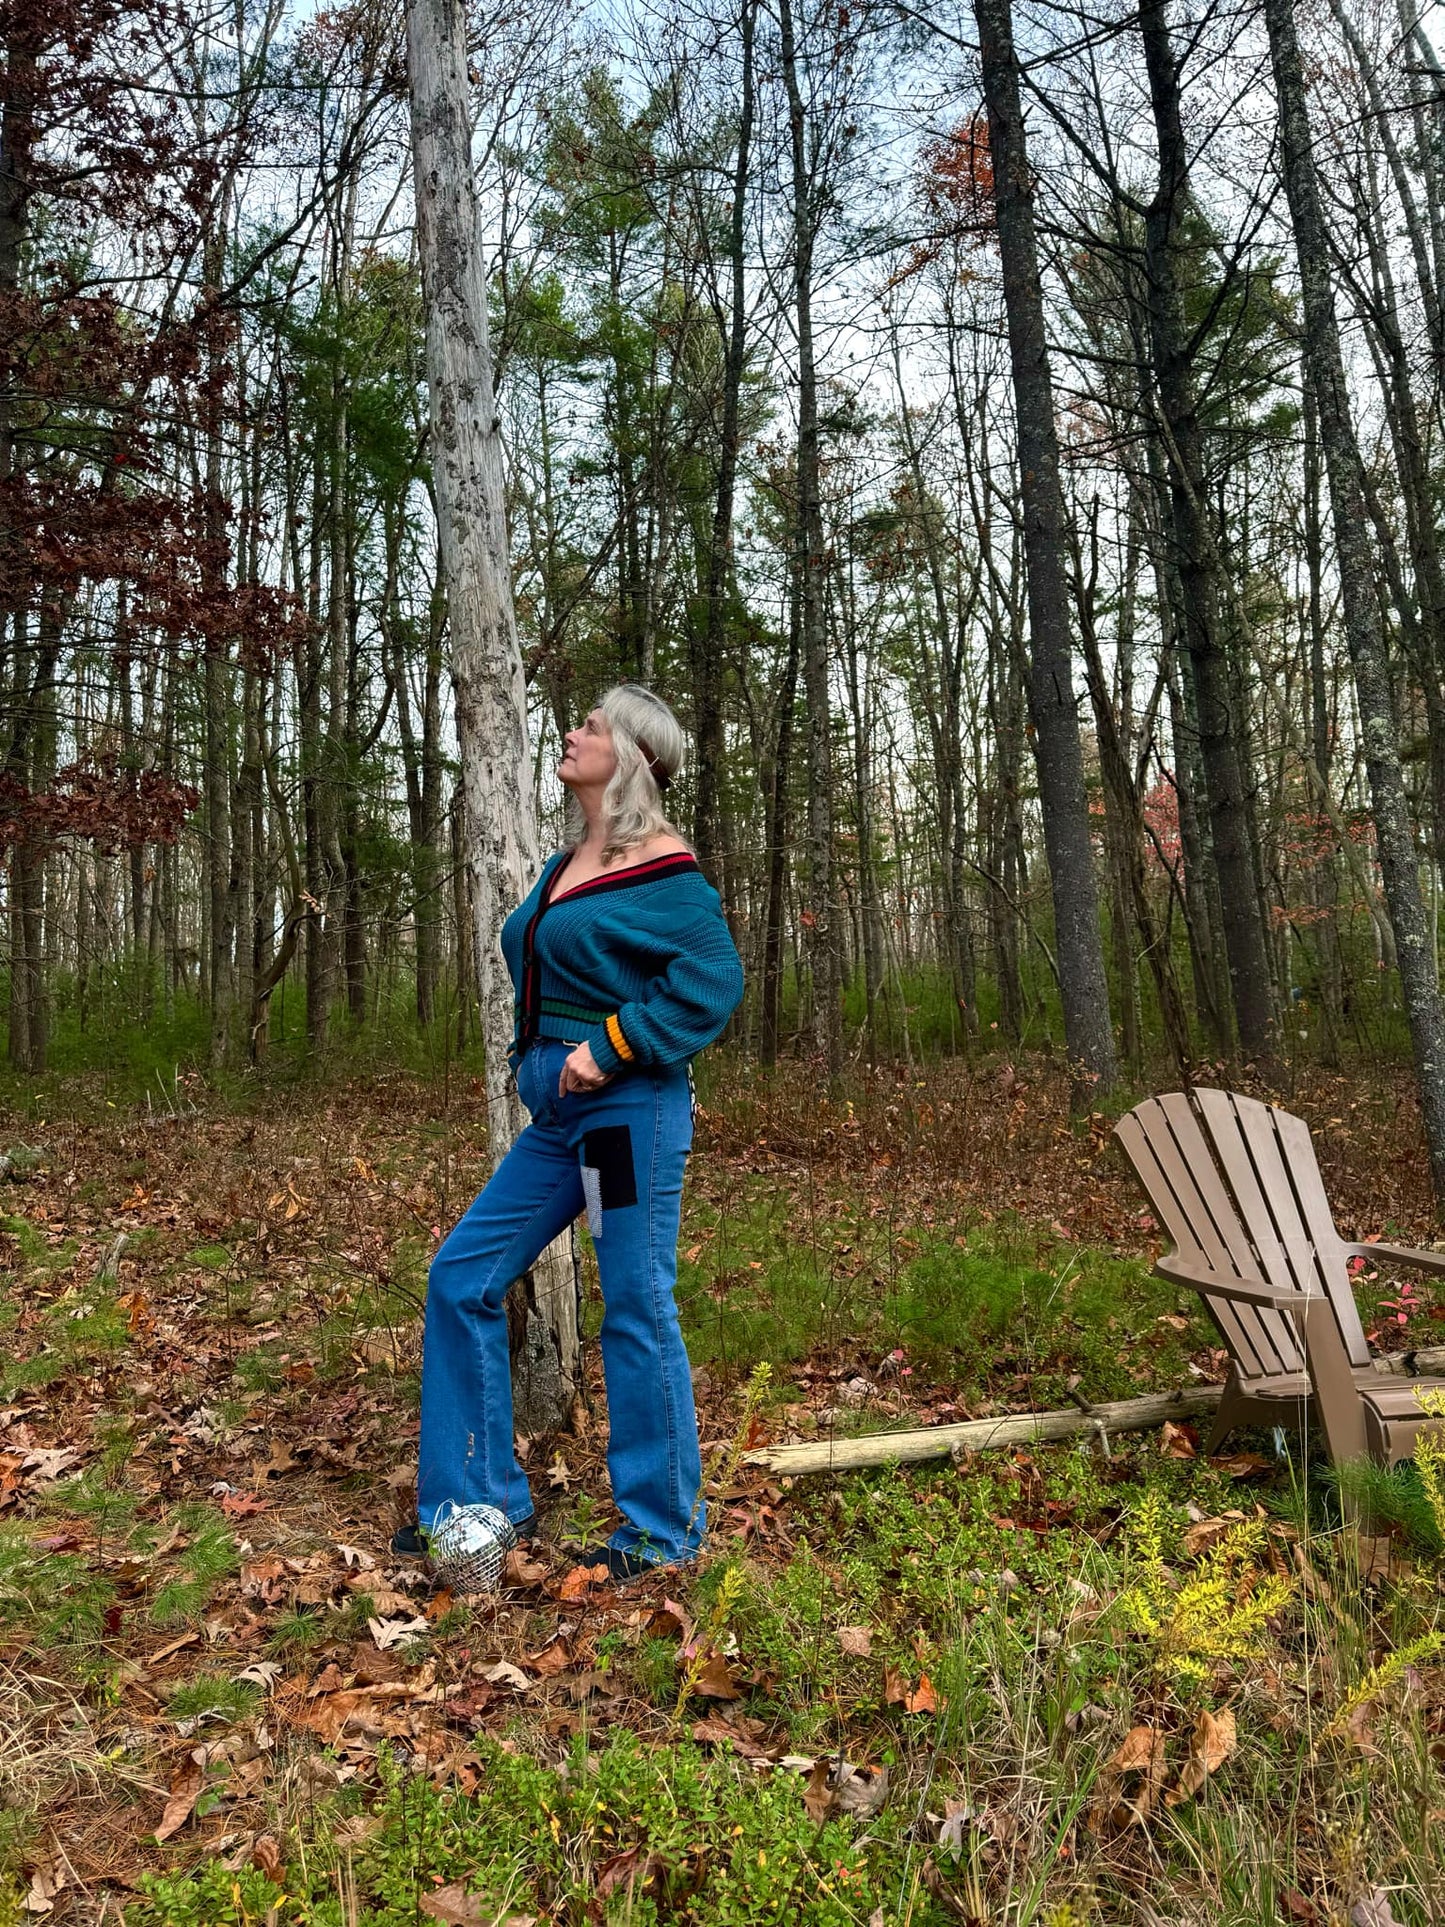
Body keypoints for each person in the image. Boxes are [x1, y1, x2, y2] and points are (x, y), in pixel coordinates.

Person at [396, 684, 744, 1580]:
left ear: (629, 753)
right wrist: (539, 1066)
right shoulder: (566, 864)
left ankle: (662, 1537)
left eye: (588, 725)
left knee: (633, 1300)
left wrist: (614, 1046)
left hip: (626, 1113)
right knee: (463, 1273)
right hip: (560, 1117)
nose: (570, 731)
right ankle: (474, 1507)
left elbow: (711, 980)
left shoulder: (665, 867)